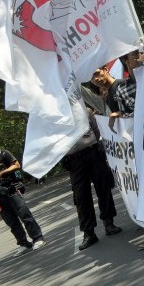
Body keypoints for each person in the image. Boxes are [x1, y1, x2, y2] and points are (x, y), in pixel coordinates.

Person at [61, 98, 122, 251]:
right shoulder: (55, 120)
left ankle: (109, 223)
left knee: (103, 188)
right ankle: (89, 233)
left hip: (92, 153)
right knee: (81, 197)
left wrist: (97, 145)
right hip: (74, 160)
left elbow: (97, 130)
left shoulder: (85, 111)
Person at [0, 137, 46, 255]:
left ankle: (38, 238)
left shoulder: (3, 154)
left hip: (11, 190)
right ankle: (23, 243)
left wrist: (1, 173)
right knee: (11, 221)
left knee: (25, 215)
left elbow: (16, 165)